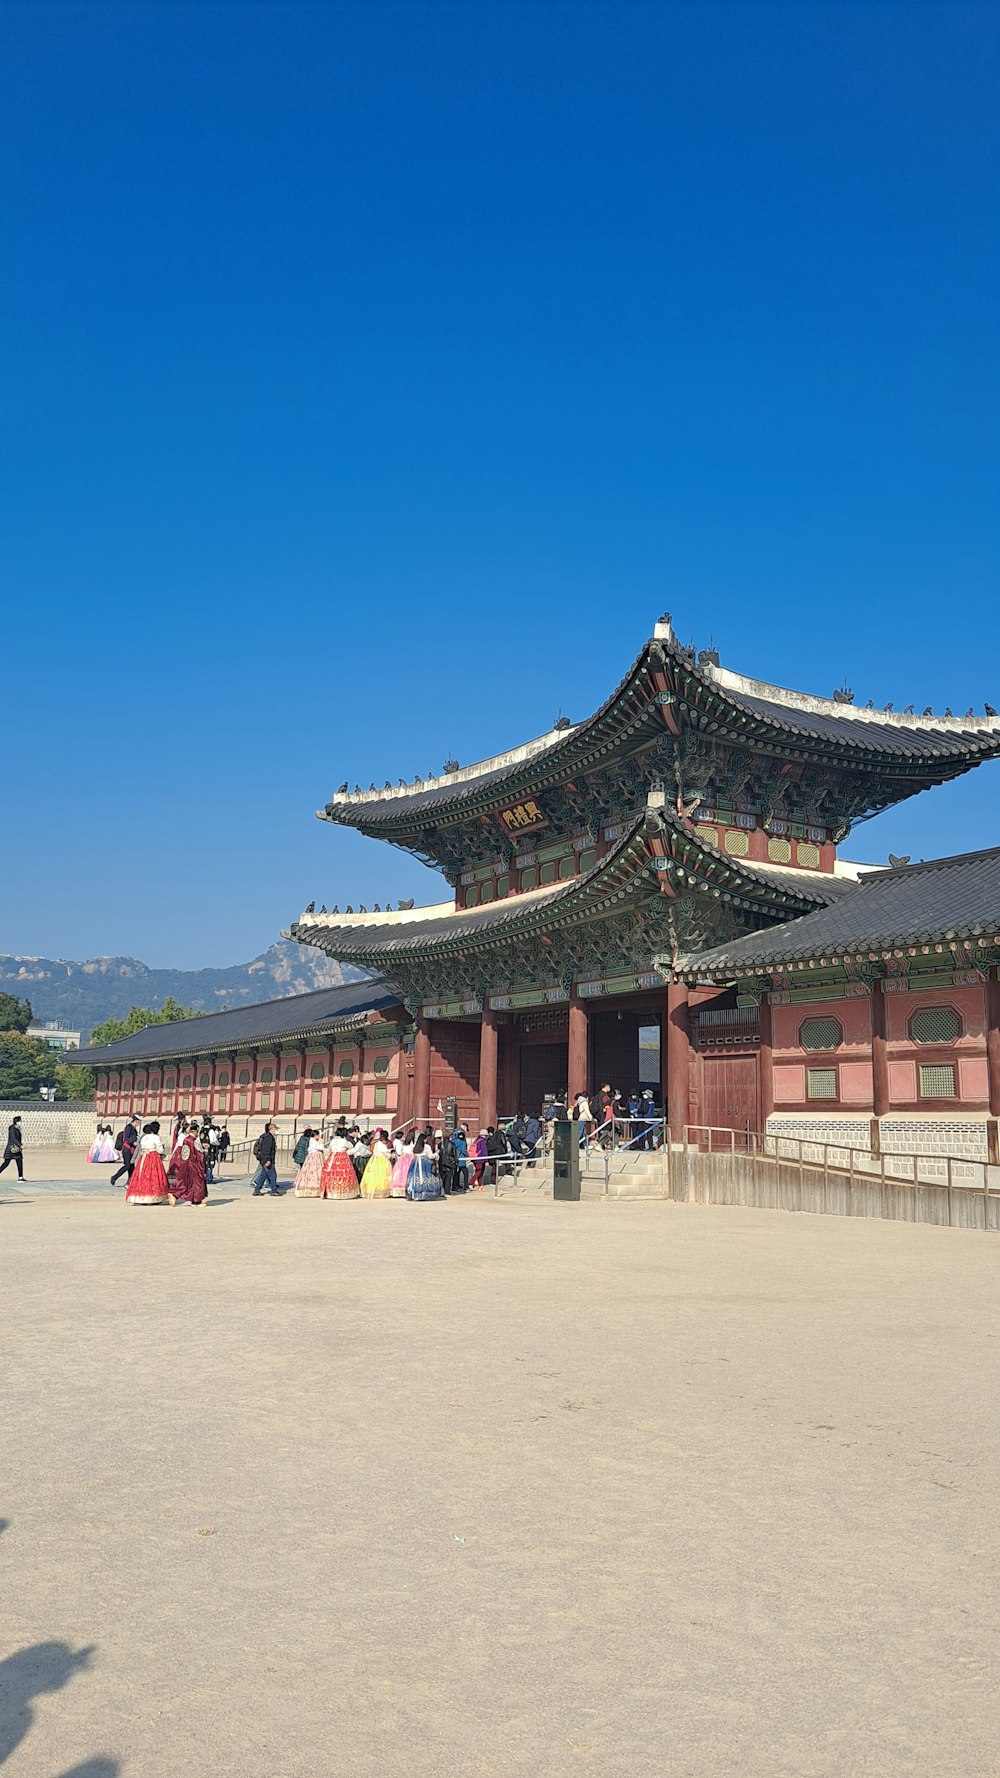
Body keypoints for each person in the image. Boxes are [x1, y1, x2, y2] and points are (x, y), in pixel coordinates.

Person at [126, 1122, 170, 1204]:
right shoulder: (156, 1137)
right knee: (154, 1176)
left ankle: (140, 1197)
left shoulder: (145, 1137)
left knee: (142, 1176)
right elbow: (160, 1150)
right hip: (153, 1157)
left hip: (144, 1157)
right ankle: (154, 1197)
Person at [167, 1121, 208, 1206]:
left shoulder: (186, 1139)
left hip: (186, 1164)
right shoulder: (195, 1141)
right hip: (194, 1165)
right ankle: (196, 1201)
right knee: (197, 1183)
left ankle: (175, 1195)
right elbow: (199, 1153)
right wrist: (204, 1151)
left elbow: (184, 1154)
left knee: (185, 1183)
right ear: (196, 1131)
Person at [319, 1128, 362, 1198]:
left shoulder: (333, 1141)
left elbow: (329, 1149)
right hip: (342, 1157)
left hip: (333, 1157)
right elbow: (351, 1146)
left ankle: (331, 1191)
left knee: (332, 1174)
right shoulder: (344, 1141)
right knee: (343, 1174)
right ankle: (343, 1192)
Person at [405, 1133, 443, 1200]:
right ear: (424, 1140)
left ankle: (414, 1193)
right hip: (424, 1164)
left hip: (415, 1163)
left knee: (415, 1178)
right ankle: (424, 1194)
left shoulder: (415, 1147)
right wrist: (436, 1153)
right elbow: (430, 1156)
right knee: (426, 1178)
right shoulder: (427, 1146)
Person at [250, 1121, 280, 1196]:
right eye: (275, 1129)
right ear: (272, 1129)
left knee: (263, 1175)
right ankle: (273, 1190)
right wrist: (268, 1159)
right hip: (267, 1159)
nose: (276, 1131)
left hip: (264, 1159)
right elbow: (267, 1149)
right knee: (272, 1175)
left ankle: (257, 1190)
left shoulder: (266, 1136)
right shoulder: (269, 1137)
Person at [360, 1130, 392, 1198]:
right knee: (382, 1176)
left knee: (373, 1176)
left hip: (374, 1160)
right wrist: (390, 1155)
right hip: (382, 1161)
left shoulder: (376, 1144)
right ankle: (380, 1190)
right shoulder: (383, 1146)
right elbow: (387, 1154)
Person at [294, 1130, 327, 1198]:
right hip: (315, 1158)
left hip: (311, 1157)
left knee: (309, 1172)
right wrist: (321, 1141)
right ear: (316, 1135)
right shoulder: (314, 1141)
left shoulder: (310, 1140)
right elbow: (321, 1147)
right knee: (316, 1172)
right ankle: (316, 1188)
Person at [110, 1116, 139, 1188]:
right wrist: (133, 1142)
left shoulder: (134, 1129)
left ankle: (129, 1182)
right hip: (127, 1149)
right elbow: (126, 1138)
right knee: (127, 1166)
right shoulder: (128, 1127)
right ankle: (114, 1177)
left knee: (131, 1167)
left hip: (132, 1150)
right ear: (136, 1121)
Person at [0, 1115, 25, 1181]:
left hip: (17, 1149)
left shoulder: (17, 1128)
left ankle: (20, 1177)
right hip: (11, 1149)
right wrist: (20, 1145)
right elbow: (13, 1138)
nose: (21, 1122)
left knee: (19, 1161)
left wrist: (20, 1145)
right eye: (20, 1121)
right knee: (6, 1163)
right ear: (17, 1121)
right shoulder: (12, 1128)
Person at [437, 1130, 457, 1194]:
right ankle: (447, 1192)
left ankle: (442, 1192)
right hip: (450, 1163)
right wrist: (456, 1163)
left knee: (442, 1178)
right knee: (448, 1179)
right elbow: (455, 1155)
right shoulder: (452, 1144)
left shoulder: (440, 1144)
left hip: (442, 1163)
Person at [451, 1126, 469, 1192]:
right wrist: (467, 1155)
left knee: (456, 1173)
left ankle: (454, 1186)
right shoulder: (462, 1142)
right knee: (465, 1173)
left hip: (455, 1159)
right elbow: (464, 1150)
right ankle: (466, 1186)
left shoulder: (453, 1141)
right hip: (461, 1159)